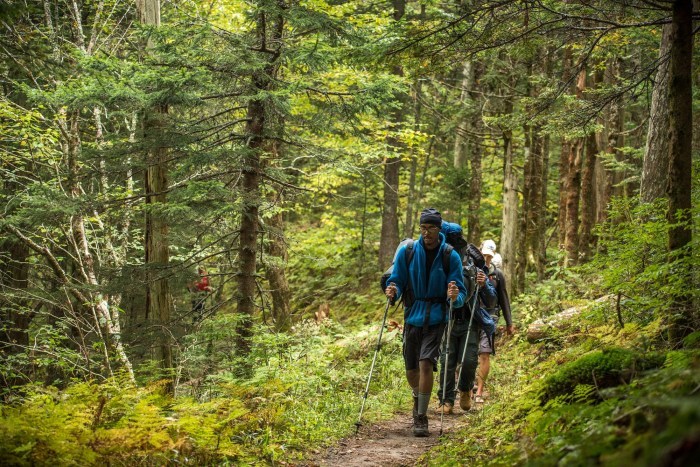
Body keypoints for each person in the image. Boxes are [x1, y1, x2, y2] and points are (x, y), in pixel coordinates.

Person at [385, 208, 467, 437]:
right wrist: (393, 290)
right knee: (411, 369)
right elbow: (397, 280)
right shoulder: (408, 252)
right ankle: (417, 398)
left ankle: (421, 417)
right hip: (412, 315)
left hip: (437, 317)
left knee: (425, 363)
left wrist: (454, 297)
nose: (427, 233)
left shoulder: (450, 255)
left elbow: (459, 292)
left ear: (439, 229)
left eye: (431, 228)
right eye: (423, 228)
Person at [435, 253, 495, 414]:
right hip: (449, 321)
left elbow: (491, 301)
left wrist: (484, 285)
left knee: (469, 360)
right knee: (447, 360)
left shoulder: (475, 272)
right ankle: (445, 399)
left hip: (470, 322)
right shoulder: (443, 268)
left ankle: (465, 390)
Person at [475, 240, 514, 403]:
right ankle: (467, 386)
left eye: (489, 256)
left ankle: (479, 392)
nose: (486, 259)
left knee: (485, 353)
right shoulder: (471, 271)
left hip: (490, 317)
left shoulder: (497, 275)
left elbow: (504, 299)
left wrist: (509, 322)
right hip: (473, 315)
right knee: (471, 353)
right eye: (484, 255)